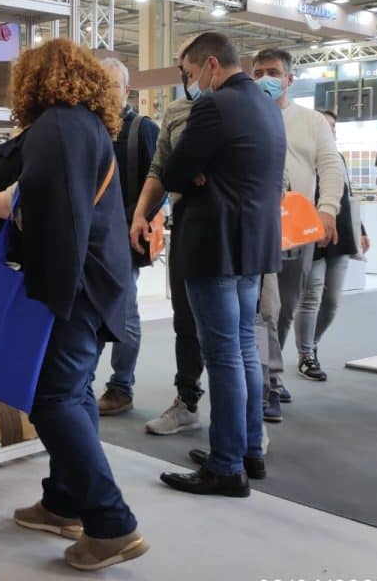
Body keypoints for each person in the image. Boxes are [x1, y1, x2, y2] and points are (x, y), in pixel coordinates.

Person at [0, 38, 146, 572]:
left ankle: (111, 524)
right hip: (94, 282)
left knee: (51, 397)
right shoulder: (79, 125)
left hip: (76, 287)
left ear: (34, 82)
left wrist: (49, 300)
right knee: (73, 391)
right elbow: (38, 195)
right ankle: (64, 503)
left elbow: (51, 212)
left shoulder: (58, 127)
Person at [158, 32, 285, 498]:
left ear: (212, 65)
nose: (191, 83)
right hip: (253, 245)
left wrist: (193, 171)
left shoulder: (214, 106)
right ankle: (247, 449)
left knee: (224, 354)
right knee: (245, 348)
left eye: (191, 73)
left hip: (214, 244)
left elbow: (173, 171)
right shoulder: (267, 108)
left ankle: (226, 465)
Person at [251, 48, 343, 424]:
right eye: (258, 72)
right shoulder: (246, 116)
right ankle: (268, 382)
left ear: (290, 79)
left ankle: (271, 370)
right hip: (257, 228)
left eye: (273, 72)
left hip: (297, 229)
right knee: (265, 309)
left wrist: (328, 209)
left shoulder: (312, 121)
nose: (265, 79)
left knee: (286, 306)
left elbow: (331, 166)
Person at [136, 48, 204, 436]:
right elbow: (161, 169)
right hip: (186, 229)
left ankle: (250, 413)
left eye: (190, 70)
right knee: (186, 321)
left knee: (241, 331)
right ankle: (187, 400)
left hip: (235, 235)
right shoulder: (177, 112)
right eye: (182, 71)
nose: (187, 78)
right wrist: (141, 213)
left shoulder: (243, 109)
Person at [96, 57, 160, 417]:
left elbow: (159, 182)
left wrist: (139, 219)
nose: (106, 93)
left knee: (126, 312)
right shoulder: (90, 128)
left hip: (124, 238)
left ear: (127, 90)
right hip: (90, 239)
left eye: (113, 86)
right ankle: (82, 379)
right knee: (89, 310)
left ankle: (121, 385)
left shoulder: (142, 130)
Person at [292, 110, 371, 381]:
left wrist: (360, 230)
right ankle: (306, 354)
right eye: (326, 126)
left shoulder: (338, 158)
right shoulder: (301, 156)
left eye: (333, 127)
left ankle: (312, 343)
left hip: (341, 233)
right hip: (311, 232)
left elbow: (346, 195)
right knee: (311, 295)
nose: (331, 131)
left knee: (333, 300)